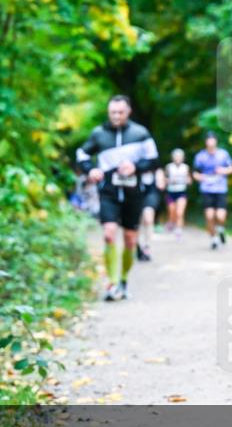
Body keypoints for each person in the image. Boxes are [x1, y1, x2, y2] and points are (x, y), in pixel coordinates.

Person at [75, 95, 159, 301]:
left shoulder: (140, 133)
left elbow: (154, 160)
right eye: (113, 112)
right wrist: (90, 170)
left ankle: (122, 280)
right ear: (108, 112)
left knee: (130, 239)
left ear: (128, 111)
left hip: (134, 192)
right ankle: (112, 284)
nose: (116, 116)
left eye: (120, 112)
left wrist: (136, 167)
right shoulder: (99, 134)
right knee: (109, 233)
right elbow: (81, 154)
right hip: (109, 192)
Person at [192, 132, 232, 250]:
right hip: (207, 189)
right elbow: (195, 173)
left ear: (216, 141)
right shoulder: (200, 156)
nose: (210, 142)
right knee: (209, 216)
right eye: (208, 140)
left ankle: (221, 229)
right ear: (206, 142)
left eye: (212, 140)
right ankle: (213, 239)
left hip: (221, 188)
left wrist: (223, 170)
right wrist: (200, 177)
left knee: (220, 216)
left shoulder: (223, 154)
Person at [137, 164, 166, 262]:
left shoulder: (157, 170)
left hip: (152, 194)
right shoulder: (134, 166)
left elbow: (162, 186)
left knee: (148, 217)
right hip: (136, 195)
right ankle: (138, 244)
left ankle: (147, 246)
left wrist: (161, 180)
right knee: (138, 221)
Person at [164, 148, 191, 239]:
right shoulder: (169, 167)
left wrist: (187, 181)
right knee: (172, 212)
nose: (178, 158)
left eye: (180, 157)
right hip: (171, 192)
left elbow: (189, 180)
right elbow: (164, 179)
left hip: (181, 192)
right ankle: (171, 223)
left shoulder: (185, 167)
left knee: (180, 212)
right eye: (176, 156)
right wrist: (169, 180)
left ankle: (178, 231)